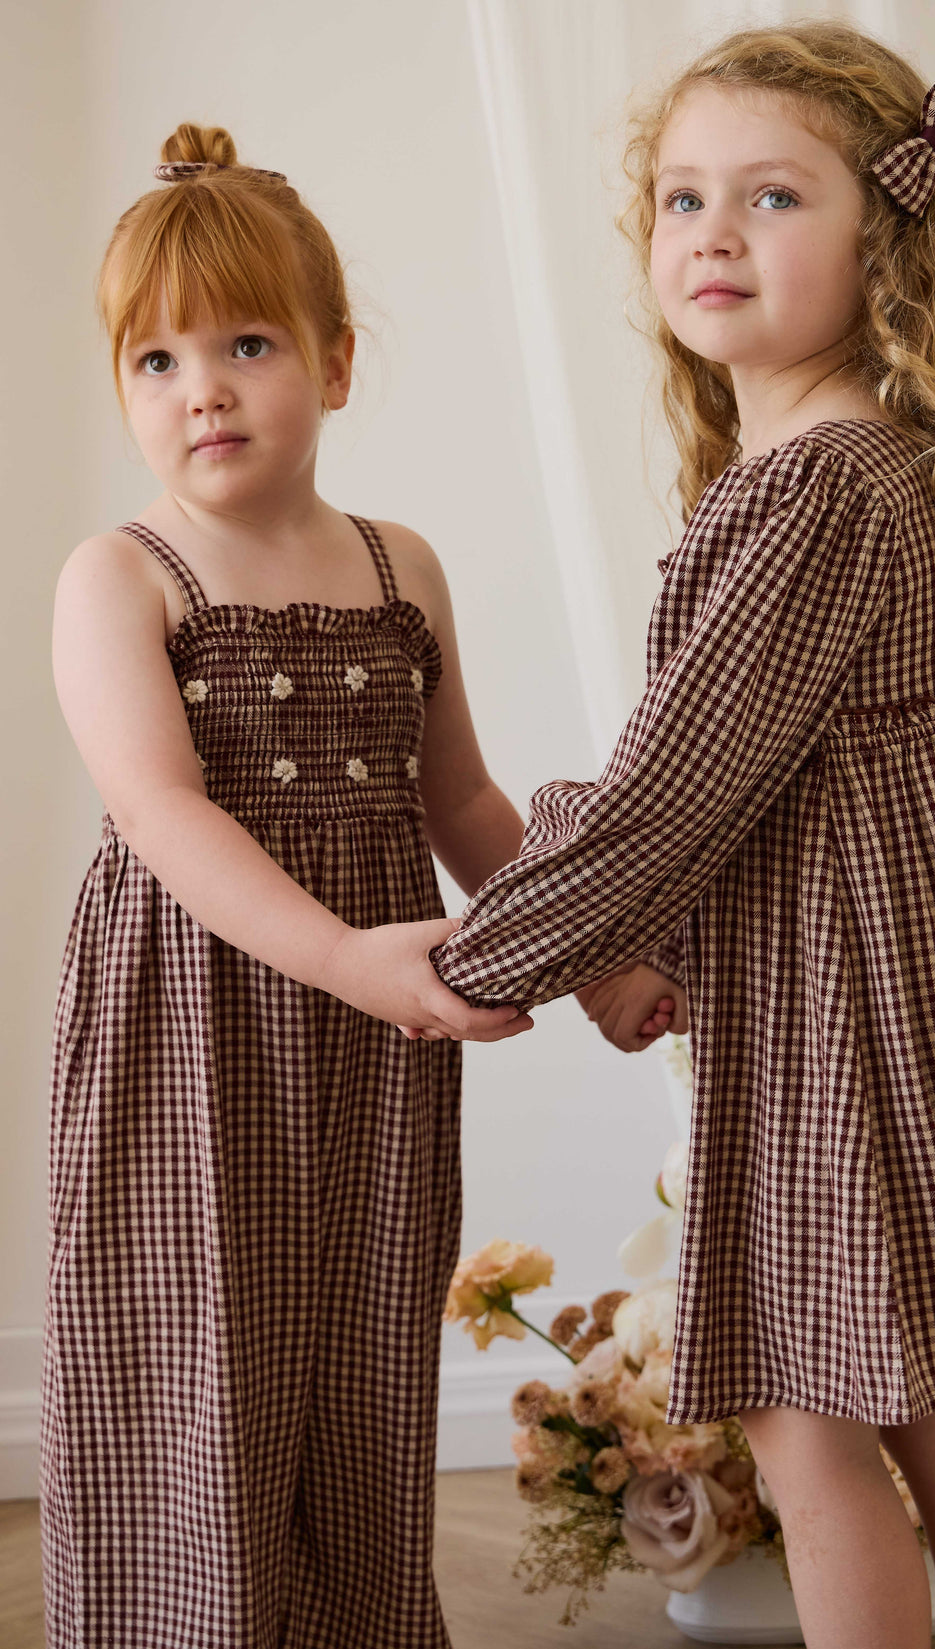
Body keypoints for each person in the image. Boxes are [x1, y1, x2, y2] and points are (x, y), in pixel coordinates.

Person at [417, 23, 935, 1648]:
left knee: (804, 1418)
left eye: (773, 196)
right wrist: (642, 942)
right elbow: (756, 786)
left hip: (850, 1030)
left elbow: (673, 788)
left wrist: (486, 951)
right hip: (888, 1000)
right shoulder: (853, 458)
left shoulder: (809, 492)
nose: (712, 232)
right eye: (681, 196)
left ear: (886, 244)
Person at [44, 122, 683, 1648]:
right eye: (156, 358)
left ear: (334, 363)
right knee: (199, 1361)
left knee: (356, 1355)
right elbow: (161, 810)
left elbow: (458, 798)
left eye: (246, 342)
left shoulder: (402, 567)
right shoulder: (122, 577)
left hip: (369, 1039)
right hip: (192, 1038)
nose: (201, 386)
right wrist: (342, 953)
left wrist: (589, 951)